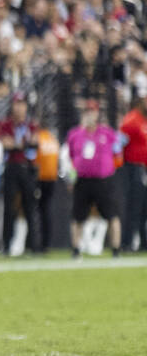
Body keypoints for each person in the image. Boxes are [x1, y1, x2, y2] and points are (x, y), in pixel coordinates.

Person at [65, 100, 123, 259]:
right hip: (82, 180)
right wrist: (71, 179)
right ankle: (76, 250)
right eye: (87, 111)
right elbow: (71, 159)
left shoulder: (107, 133)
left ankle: (116, 250)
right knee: (77, 216)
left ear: (97, 113)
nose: (90, 114)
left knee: (112, 214)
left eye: (92, 111)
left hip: (103, 180)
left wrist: (111, 170)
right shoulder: (75, 134)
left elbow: (118, 153)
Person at [0, 93, 38, 256]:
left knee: (30, 206)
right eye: (17, 104)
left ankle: (34, 246)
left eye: (22, 104)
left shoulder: (31, 124)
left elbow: (34, 143)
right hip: (12, 167)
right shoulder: (5, 124)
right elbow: (7, 143)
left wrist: (18, 144)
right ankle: (6, 245)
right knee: (9, 207)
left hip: (27, 167)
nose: (19, 107)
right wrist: (23, 144)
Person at [118, 91, 147, 252]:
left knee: (144, 207)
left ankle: (144, 242)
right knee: (134, 206)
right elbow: (120, 142)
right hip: (134, 168)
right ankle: (127, 243)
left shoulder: (143, 120)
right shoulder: (132, 119)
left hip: (143, 169)